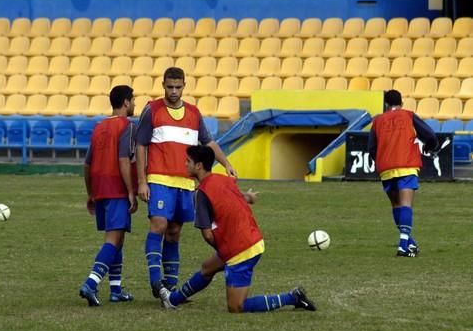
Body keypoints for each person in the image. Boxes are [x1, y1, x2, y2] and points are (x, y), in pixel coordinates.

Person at [158, 145, 316, 313]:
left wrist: (226, 251)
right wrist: (249, 197)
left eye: (188, 161)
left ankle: (293, 297)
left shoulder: (201, 193)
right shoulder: (223, 179)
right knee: (207, 268)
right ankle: (172, 300)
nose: (185, 164)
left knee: (236, 306)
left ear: (199, 166)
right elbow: (235, 195)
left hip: (240, 249)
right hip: (252, 238)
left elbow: (208, 235)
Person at [136, 66, 237, 297]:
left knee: (174, 232)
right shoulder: (152, 110)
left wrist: (226, 163)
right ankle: (156, 282)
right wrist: (142, 181)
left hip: (185, 184)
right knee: (159, 225)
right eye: (169, 87)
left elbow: (208, 143)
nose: (173, 91)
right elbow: (141, 145)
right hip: (159, 179)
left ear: (184, 86)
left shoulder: (193, 113)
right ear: (163, 85)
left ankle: (170, 288)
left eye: (177, 87)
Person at [79, 85, 138, 307]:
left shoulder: (99, 127)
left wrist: (90, 193)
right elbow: (124, 159)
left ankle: (116, 290)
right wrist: (131, 191)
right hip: (116, 189)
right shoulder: (127, 127)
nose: (134, 105)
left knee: (117, 239)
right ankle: (91, 284)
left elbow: (87, 163)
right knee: (113, 240)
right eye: (133, 100)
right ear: (125, 102)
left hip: (100, 189)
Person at [368, 89, 438, 258]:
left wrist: (381, 160)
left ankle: (409, 243)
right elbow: (430, 136)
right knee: (406, 204)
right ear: (402, 102)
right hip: (406, 164)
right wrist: (430, 148)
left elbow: (371, 148)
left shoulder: (377, 121)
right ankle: (403, 246)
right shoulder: (408, 115)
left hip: (386, 168)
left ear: (386, 104)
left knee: (396, 205)